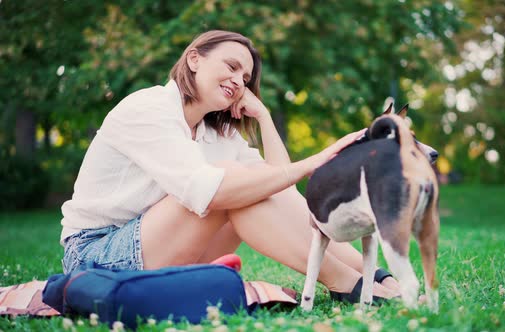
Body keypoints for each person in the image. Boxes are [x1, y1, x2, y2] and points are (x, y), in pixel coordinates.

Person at [59, 30, 399, 301]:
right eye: (231, 66)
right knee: (233, 184)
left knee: (252, 185)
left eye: (246, 77)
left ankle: (374, 275)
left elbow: (278, 185)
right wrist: (313, 161)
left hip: (159, 245)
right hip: (97, 254)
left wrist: (264, 116)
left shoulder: (213, 133)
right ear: (194, 59)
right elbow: (207, 193)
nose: (240, 81)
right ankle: (346, 284)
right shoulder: (148, 108)